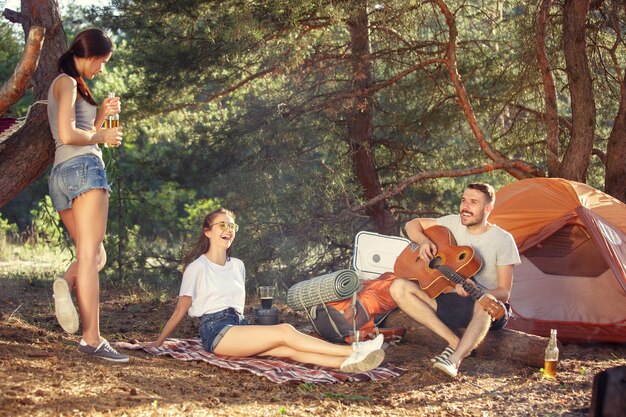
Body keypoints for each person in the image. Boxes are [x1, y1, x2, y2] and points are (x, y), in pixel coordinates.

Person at [147, 208, 385, 373]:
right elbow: (181, 309)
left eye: (231, 225)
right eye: (222, 224)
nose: (228, 229)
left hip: (238, 326)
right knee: (285, 331)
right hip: (215, 331)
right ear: (207, 231)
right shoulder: (197, 267)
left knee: (285, 348)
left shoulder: (238, 266)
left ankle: (347, 364)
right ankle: (354, 350)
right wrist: (158, 343)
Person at [48, 28, 127, 362]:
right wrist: (103, 139)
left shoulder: (68, 84)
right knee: (91, 258)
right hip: (84, 170)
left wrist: (101, 117)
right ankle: (92, 339)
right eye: (102, 63)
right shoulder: (66, 81)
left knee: (93, 256)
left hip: (61, 177)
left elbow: (76, 129)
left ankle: (66, 285)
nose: (101, 70)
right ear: (92, 56)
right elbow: (69, 134)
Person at [389, 183, 520, 378]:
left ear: (488, 209)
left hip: (484, 307)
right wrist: (424, 241)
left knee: (486, 303)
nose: (465, 207)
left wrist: (477, 291)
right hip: (451, 301)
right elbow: (412, 224)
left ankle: (454, 360)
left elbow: (504, 292)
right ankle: (454, 342)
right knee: (398, 287)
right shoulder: (451, 223)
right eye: (463, 200)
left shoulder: (503, 240)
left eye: (473, 202)